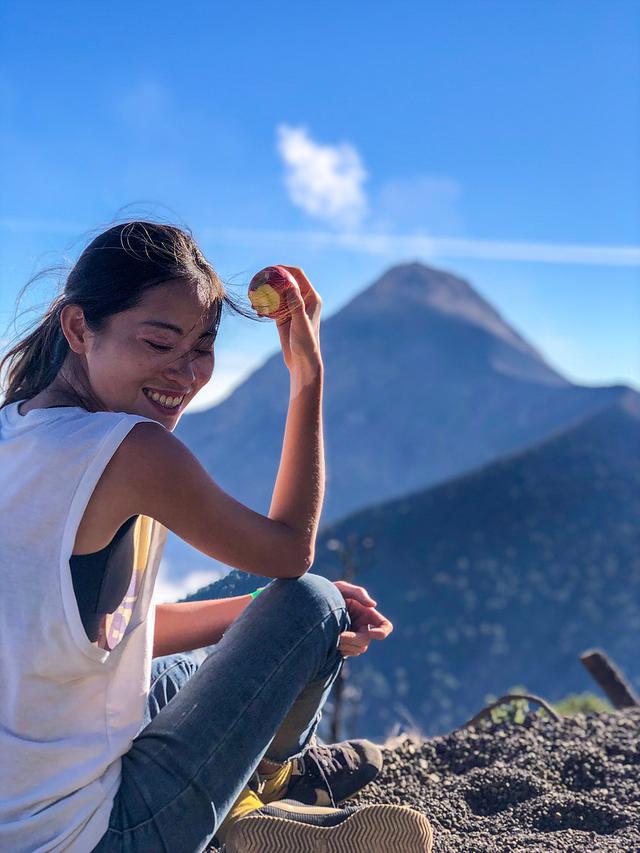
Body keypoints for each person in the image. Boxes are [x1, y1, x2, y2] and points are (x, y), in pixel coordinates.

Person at [0, 220, 433, 852]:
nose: (185, 373)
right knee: (312, 598)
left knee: (176, 675)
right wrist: (307, 376)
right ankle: (271, 788)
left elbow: (96, 637)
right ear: (77, 328)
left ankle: (255, 801)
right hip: (101, 838)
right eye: (158, 342)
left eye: (201, 346)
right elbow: (290, 552)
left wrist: (262, 626)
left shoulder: (14, 432)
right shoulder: (131, 450)